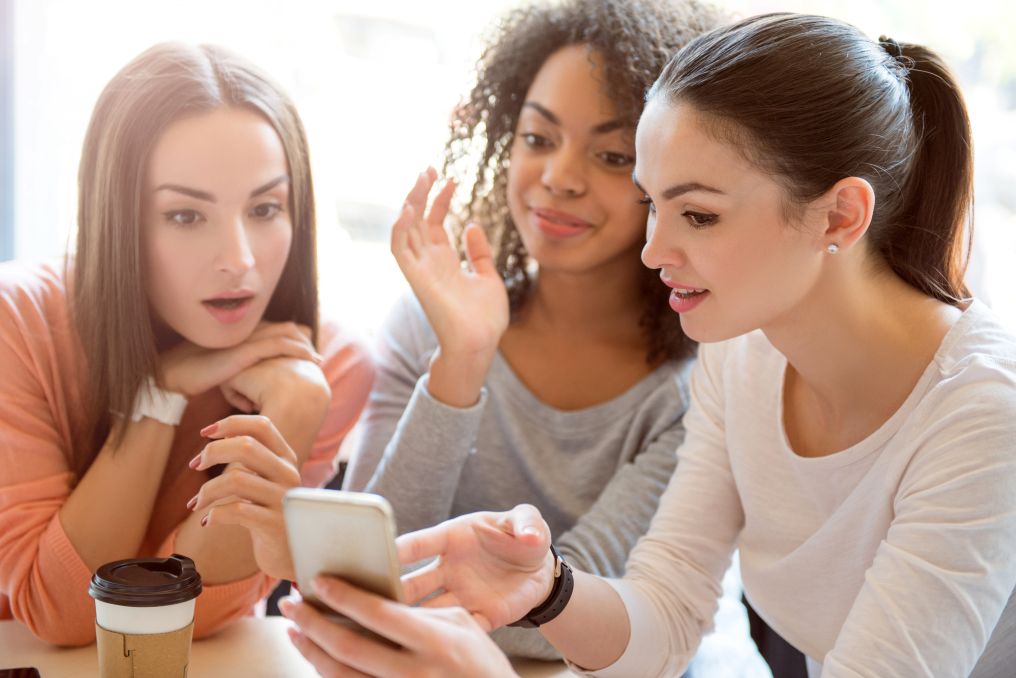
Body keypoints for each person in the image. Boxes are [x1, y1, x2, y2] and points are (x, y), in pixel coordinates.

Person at [279, 13, 1016, 678]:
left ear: (839, 216)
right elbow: (665, 614)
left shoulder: (984, 416)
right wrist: (548, 590)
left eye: (697, 215)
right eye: (653, 205)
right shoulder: (743, 355)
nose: (654, 249)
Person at [0, 43, 373, 646]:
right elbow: (68, 617)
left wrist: (295, 409)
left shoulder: (328, 364)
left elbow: (184, 618)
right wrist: (157, 396)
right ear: (118, 219)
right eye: (185, 216)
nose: (239, 261)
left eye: (265, 207)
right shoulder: (16, 323)